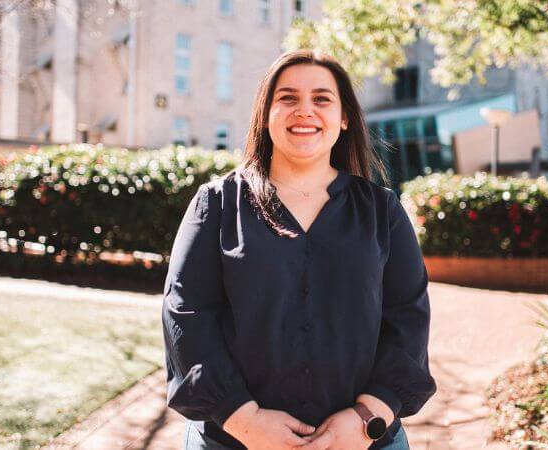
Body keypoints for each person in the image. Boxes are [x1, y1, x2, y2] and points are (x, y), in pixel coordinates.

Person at [162, 49, 436, 450]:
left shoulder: (382, 211)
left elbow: (408, 319)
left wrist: (366, 419)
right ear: (266, 114)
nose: (304, 110)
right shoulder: (217, 204)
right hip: (233, 440)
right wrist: (244, 419)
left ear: (343, 118)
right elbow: (186, 314)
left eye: (322, 99)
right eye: (287, 98)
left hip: (363, 441)